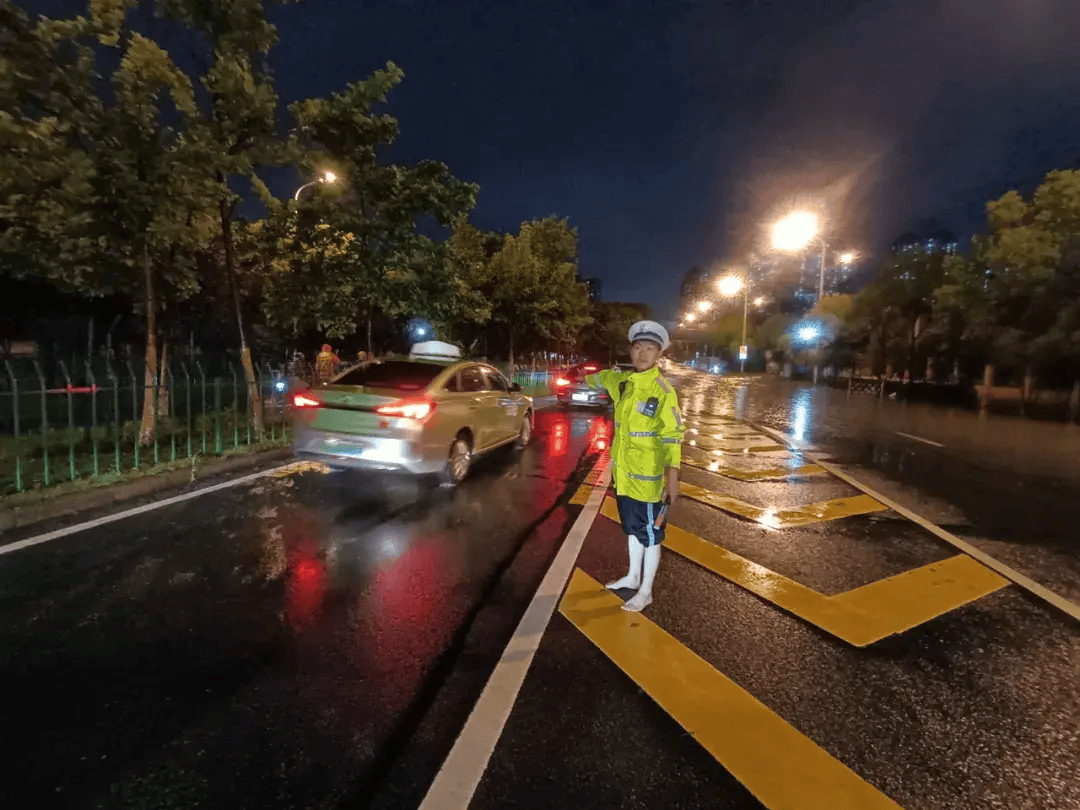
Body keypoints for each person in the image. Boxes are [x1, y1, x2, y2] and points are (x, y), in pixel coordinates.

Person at [585, 320, 685, 612]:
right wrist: (586, 377)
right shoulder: (623, 382)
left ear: (658, 355)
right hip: (624, 476)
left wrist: (673, 476)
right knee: (632, 529)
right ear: (630, 351)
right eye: (638, 347)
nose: (642, 354)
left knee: (651, 535)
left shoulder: (663, 390)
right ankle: (632, 576)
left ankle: (646, 590)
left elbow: (673, 435)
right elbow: (600, 378)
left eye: (649, 349)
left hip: (651, 478)